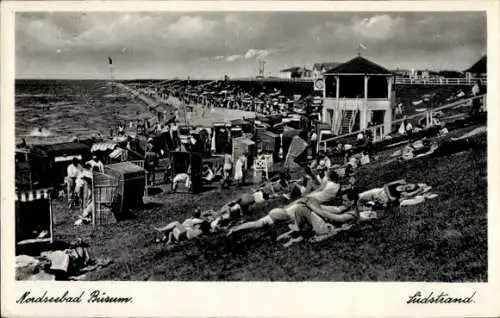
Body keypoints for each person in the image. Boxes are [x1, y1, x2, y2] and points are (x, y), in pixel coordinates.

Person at [357, 180, 431, 209]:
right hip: (379, 191)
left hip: (383, 199)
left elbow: (411, 194)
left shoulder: (404, 193)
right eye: (410, 185)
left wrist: (419, 189)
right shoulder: (401, 182)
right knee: (359, 196)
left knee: (365, 207)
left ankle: (367, 205)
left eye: (410, 188)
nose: (408, 187)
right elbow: (386, 184)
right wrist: (390, 196)